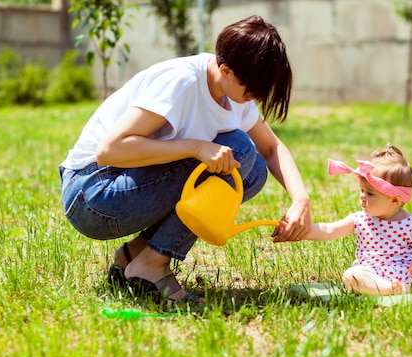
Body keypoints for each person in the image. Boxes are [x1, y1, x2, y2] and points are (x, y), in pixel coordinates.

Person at [58, 16, 312, 304]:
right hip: (93, 193)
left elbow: (271, 148)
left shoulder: (232, 93)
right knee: (238, 149)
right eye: (251, 91)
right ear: (226, 70)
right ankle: (151, 266)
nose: (255, 98)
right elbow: (110, 150)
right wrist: (196, 147)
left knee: (251, 173)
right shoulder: (183, 82)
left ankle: (136, 255)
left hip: (120, 190)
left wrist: (300, 199)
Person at [299, 144, 412, 296]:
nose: (362, 197)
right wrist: (301, 231)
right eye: (361, 190)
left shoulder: (410, 222)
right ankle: (387, 288)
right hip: (373, 274)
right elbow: (329, 231)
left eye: (370, 193)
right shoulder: (360, 219)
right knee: (351, 276)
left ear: (395, 200)